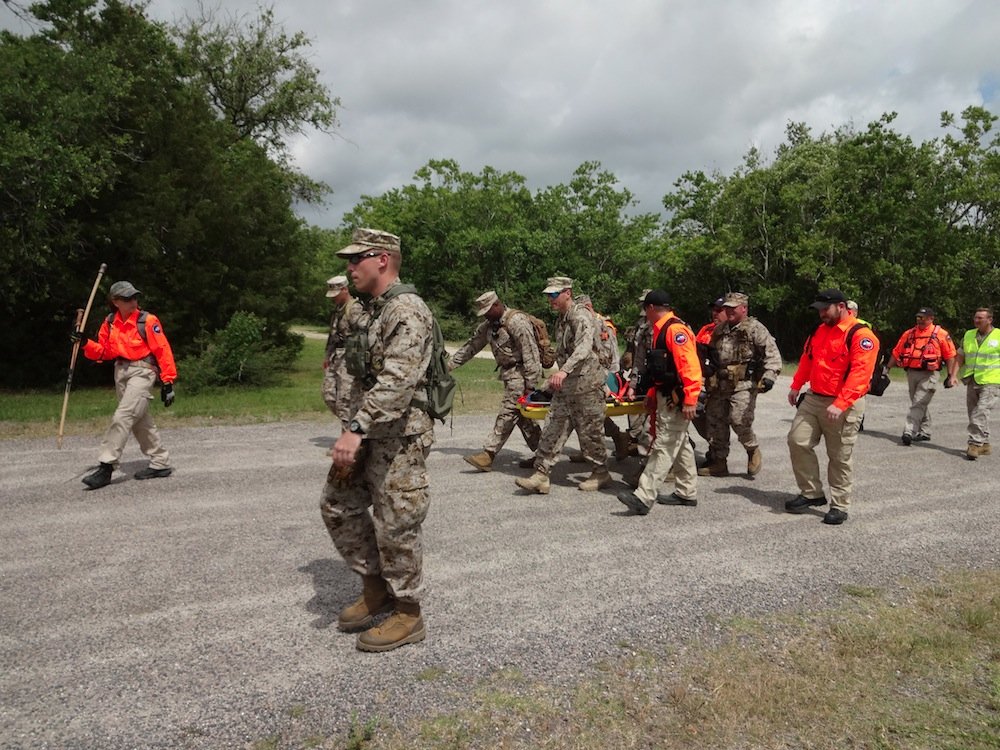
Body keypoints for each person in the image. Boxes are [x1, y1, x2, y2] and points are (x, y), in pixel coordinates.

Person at [320, 228, 434, 652]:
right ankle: (375, 588)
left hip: (398, 436)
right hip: (367, 430)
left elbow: (397, 381)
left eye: (356, 259)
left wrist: (356, 428)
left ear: (382, 259)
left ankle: (408, 612)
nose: (349, 268)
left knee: (397, 522)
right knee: (338, 504)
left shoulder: (407, 310)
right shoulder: (370, 309)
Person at [785, 289, 878, 525]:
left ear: (842, 306)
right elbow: (808, 359)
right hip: (814, 398)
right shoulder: (819, 331)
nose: (821, 314)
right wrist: (796, 385)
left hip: (843, 403)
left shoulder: (860, 335)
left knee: (839, 456)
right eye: (819, 310)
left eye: (825, 309)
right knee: (798, 440)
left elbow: (861, 373)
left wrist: (841, 403)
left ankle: (839, 505)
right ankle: (811, 493)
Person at [73, 281, 177, 490]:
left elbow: (162, 350)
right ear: (116, 301)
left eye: (135, 297)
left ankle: (106, 465)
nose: (133, 302)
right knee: (139, 420)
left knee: (123, 415)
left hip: (143, 370)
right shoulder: (110, 322)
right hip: (120, 372)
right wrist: (85, 343)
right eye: (127, 298)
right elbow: (104, 352)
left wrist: (168, 381)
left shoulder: (147, 320)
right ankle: (160, 462)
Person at [515, 277, 610, 494]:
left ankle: (601, 472)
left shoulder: (581, 316)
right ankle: (541, 474)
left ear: (568, 292)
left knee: (590, 433)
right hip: (566, 388)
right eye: (548, 295)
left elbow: (584, 348)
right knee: (552, 428)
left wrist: (564, 370)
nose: (551, 299)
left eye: (554, 295)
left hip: (586, 385)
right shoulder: (562, 319)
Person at [617, 290, 702, 515]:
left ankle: (644, 497)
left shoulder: (675, 330)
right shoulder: (659, 330)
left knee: (664, 444)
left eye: (645, 309)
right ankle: (686, 492)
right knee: (679, 442)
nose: (644, 313)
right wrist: (655, 391)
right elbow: (664, 367)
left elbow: (690, 367)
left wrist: (691, 399)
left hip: (679, 397)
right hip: (668, 395)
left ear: (651, 308)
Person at [449, 290, 543, 471]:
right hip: (508, 374)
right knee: (524, 418)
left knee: (507, 412)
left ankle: (488, 454)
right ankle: (544, 453)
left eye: (487, 311)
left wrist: (531, 385)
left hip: (521, 374)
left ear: (497, 305)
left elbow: (531, 353)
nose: (485, 315)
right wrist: (449, 366)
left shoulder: (517, 322)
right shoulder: (489, 326)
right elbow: (471, 346)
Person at [699, 292, 782, 478]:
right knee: (715, 423)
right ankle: (719, 462)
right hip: (719, 384)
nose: (728, 311)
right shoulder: (719, 330)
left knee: (739, 420)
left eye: (733, 308)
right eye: (726, 308)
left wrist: (769, 376)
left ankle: (752, 449)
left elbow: (772, 355)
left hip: (743, 384)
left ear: (744, 309)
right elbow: (711, 356)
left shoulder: (755, 329)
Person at [887, 307, 958, 445]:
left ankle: (909, 431)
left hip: (930, 375)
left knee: (918, 403)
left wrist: (950, 375)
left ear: (931, 319)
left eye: (923, 317)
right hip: (911, 372)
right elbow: (897, 352)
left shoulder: (941, 334)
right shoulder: (909, 333)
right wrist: (887, 368)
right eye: (918, 317)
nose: (920, 320)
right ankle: (925, 431)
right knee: (918, 402)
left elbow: (950, 356)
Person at [956, 307, 999, 460]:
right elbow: (960, 355)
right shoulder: (968, 334)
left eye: (980, 318)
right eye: (975, 317)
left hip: (992, 381)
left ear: (989, 320)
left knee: (981, 411)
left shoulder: (998, 336)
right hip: (972, 378)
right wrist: (953, 374)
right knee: (973, 411)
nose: (976, 320)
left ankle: (974, 443)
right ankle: (985, 444)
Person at [321, 275, 363, 428]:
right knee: (329, 395)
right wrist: (327, 356)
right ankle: (356, 424)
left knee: (345, 400)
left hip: (349, 359)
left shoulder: (355, 308)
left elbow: (363, 336)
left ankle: (350, 439)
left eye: (336, 294)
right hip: (335, 357)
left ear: (345, 289)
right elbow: (332, 335)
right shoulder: (337, 310)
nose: (333, 298)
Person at [692, 297, 727, 453]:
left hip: (725, 383)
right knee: (696, 412)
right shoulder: (706, 330)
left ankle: (720, 452)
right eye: (714, 310)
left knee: (730, 420)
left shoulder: (733, 332)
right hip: (705, 382)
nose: (715, 313)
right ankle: (713, 448)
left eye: (719, 310)